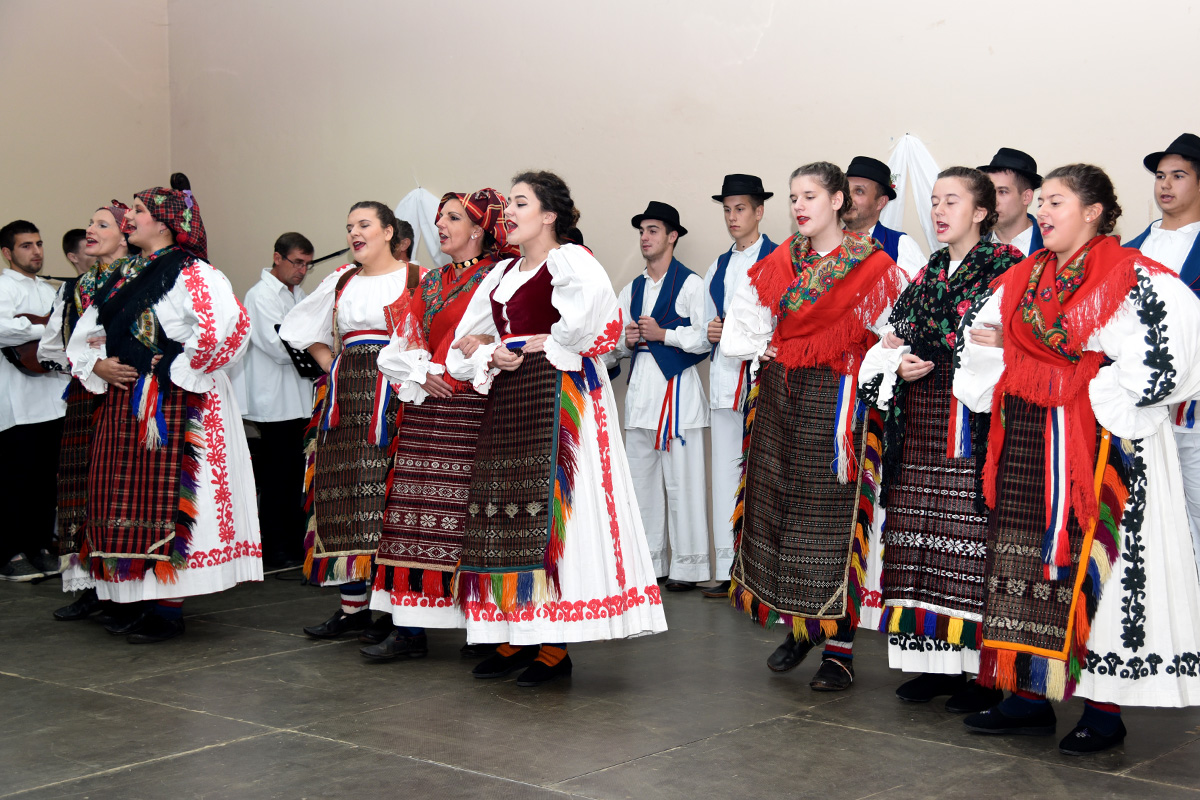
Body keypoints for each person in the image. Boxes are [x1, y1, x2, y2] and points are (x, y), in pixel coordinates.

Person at [954, 164, 1200, 755]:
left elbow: (1169, 356)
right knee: (1026, 561)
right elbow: (981, 341)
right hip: (1028, 438)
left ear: (1092, 212)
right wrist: (1025, 356)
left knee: (1101, 565)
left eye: (1055, 202)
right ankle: (1028, 694)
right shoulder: (1023, 277)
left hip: (1104, 446)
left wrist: (1088, 376)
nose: (1042, 212)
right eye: (1040, 202)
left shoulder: (1131, 275)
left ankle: (1104, 710)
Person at [445, 170, 667, 686]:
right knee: (508, 512)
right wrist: (490, 352)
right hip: (510, 397)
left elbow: (596, 326)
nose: (509, 212)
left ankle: (553, 645)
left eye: (521, 203)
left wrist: (537, 343)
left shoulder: (569, 261)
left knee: (556, 514)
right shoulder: (501, 275)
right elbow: (464, 342)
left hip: (557, 396)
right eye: (509, 204)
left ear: (549, 215)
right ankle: (515, 633)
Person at [722, 162, 906, 691]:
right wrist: (766, 346)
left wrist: (873, 363)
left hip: (838, 401)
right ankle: (802, 626)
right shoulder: (779, 261)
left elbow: (893, 336)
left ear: (837, 201)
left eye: (810, 196)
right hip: (781, 397)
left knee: (832, 520)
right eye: (793, 197)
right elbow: (742, 329)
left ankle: (840, 651)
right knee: (782, 511)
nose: (799, 206)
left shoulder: (873, 267)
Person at [64, 174, 262, 642]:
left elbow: (229, 329)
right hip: (124, 402)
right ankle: (138, 599)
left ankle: (167, 610)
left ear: (167, 223)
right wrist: (98, 365)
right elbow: (87, 333)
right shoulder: (123, 274)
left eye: (138, 211)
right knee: (125, 497)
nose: (128, 218)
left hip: (177, 402)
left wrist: (177, 366)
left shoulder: (194, 272)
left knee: (171, 500)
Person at [858, 167, 1024, 711]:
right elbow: (894, 335)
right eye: (933, 201)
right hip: (921, 422)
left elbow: (1010, 342)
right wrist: (899, 361)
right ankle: (935, 664)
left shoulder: (1007, 268)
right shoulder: (930, 269)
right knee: (919, 536)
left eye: (951, 201)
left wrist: (974, 351)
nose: (938, 210)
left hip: (973, 426)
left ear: (981, 211)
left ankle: (980, 672)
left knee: (970, 540)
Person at [367, 188, 517, 661]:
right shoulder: (432, 281)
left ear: (478, 229)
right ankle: (409, 627)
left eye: (452, 217)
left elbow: (505, 333)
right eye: (439, 218)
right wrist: (419, 371)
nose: (440, 225)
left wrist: (475, 349)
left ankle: (482, 629)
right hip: (425, 405)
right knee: (412, 516)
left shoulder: (500, 275)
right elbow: (403, 338)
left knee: (466, 518)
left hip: (470, 407)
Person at [280, 201, 424, 642]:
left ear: (388, 232)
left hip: (397, 396)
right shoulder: (342, 279)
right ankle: (353, 608)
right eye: (349, 227)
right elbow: (298, 327)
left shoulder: (417, 277)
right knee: (344, 494)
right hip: (344, 400)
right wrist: (333, 363)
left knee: (391, 500)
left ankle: (401, 616)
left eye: (364, 225)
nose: (354, 233)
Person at [605, 201, 711, 592]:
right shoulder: (631, 289)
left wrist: (664, 334)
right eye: (642, 231)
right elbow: (612, 343)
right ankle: (650, 563)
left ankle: (689, 566)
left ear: (672, 236)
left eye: (653, 230)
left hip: (677, 394)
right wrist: (627, 340)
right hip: (641, 395)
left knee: (684, 484)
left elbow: (705, 336)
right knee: (640, 484)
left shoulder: (692, 284)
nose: (645, 237)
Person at [42, 202, 134, 619]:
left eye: (102, 223)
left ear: (126, 235)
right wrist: (91, 363)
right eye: (89, 223)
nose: (90, 230)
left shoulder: (143, 278)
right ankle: (92, 589)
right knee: (82, 489)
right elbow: (54, 345)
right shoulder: (76, 288)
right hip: (86, 396)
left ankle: (128, 589)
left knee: (122, 491)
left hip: (129, 391)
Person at [700, 175, 779, 599]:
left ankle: (759, 572)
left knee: (761, 475)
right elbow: (703, 325)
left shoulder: (780, 258)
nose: (733, 217)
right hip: (723, 379)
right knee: (725, 475)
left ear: (759, 211)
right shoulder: (717, 266)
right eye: (727, 210)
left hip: (760, 380)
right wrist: (711, 331)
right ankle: (727, 567)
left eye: (741, 208)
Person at [1125, 133, 1200, 575]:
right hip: (1137, 405)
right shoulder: (1128, 251)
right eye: (1159, 176)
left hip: (1192, 405)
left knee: (1195, 505)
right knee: (1143, 512)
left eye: (1178, 175)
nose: (1165, 184)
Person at [0, 219, 69, 580]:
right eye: (26, 246)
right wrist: (47, 329)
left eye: (39, 244)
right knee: (16, 480)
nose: (37, 251)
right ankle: (9, 555)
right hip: (18, 403)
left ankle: (39, 547)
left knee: (45, 480)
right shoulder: (4, 287)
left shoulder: (50, 289)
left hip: (52, 399)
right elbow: (3, 328)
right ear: (7, 253)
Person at [243, 232, 315, 570]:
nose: (301, 270)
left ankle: (293, 540)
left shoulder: (299, 295)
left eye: (307, 265)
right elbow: (279, 347)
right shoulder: (259, 296)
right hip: (273, 402)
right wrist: (314, 347)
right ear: (277, 257)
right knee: (276, 476)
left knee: (295, 474)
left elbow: (310, 335)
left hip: (299, 399)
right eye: (297, 262)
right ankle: (274, 546)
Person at [842, 156, 925, 278]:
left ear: (881, 202)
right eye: (845, 190)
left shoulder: (900, 245)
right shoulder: (827, 242)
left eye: (859, 191)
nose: (848, 198)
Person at [979, 147, 1044, 257]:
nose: (992, 200)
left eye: (1002, 192)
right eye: (989, 191)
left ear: (1026, 197)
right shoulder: (973, 245)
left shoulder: (1051, 245)